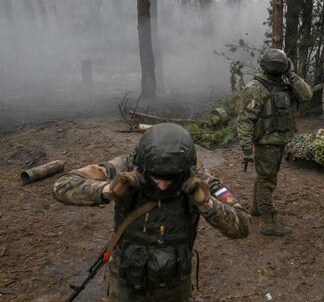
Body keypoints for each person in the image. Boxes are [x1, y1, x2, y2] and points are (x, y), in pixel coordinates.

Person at [53, 123, 250, 302]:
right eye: (157, 178)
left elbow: (242, 225)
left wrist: (207, 203)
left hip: (174, 286)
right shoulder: (127, 165)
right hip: (126, 282)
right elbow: (63, 184)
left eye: (171, 179)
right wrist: (107, 190)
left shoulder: (198, 177)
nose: (163, 186)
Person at [237, 48, 313, 236]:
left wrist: (291, 74)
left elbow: (307, 95)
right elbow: (245, 121)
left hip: (279, 139)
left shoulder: (285, 81)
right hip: (266, 142)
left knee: (265, 176)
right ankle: (267, 222)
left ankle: (257, 208)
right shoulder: (255, 88)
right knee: (267, 179)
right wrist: (247, 151)